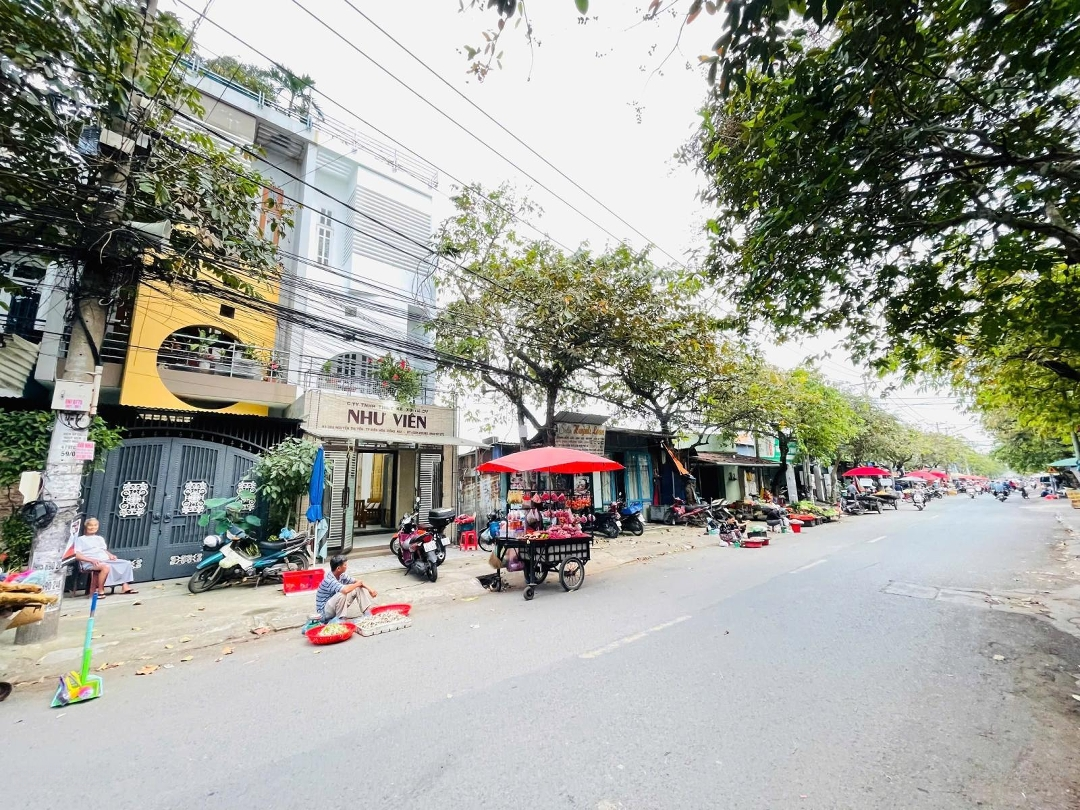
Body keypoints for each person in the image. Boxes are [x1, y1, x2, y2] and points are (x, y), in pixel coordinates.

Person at [73, 517, 138, 597]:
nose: (93, 527)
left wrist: (110, 555)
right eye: (90, 525)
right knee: (106, 567)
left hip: (105, 559)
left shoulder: (99, 538)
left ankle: (125, 586)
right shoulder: (80, 539)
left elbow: (103, 550)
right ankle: (100, 590)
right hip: (90, 562)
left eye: (95, 525)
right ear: (86, 526)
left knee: (126, 563)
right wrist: (91, 560)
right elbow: (77, 555)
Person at [315, 555, 378, 623]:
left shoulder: (341, 575)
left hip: (334, 606)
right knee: (343, 593)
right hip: (325, 612)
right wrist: (357, 584)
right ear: (338, 568)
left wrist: (370, 589)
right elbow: (345, 590)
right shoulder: (329, 579)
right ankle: (341, 619)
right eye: (345, 565)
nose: (346, 566)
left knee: (356, 587)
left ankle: (367, 612)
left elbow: (356, 582)